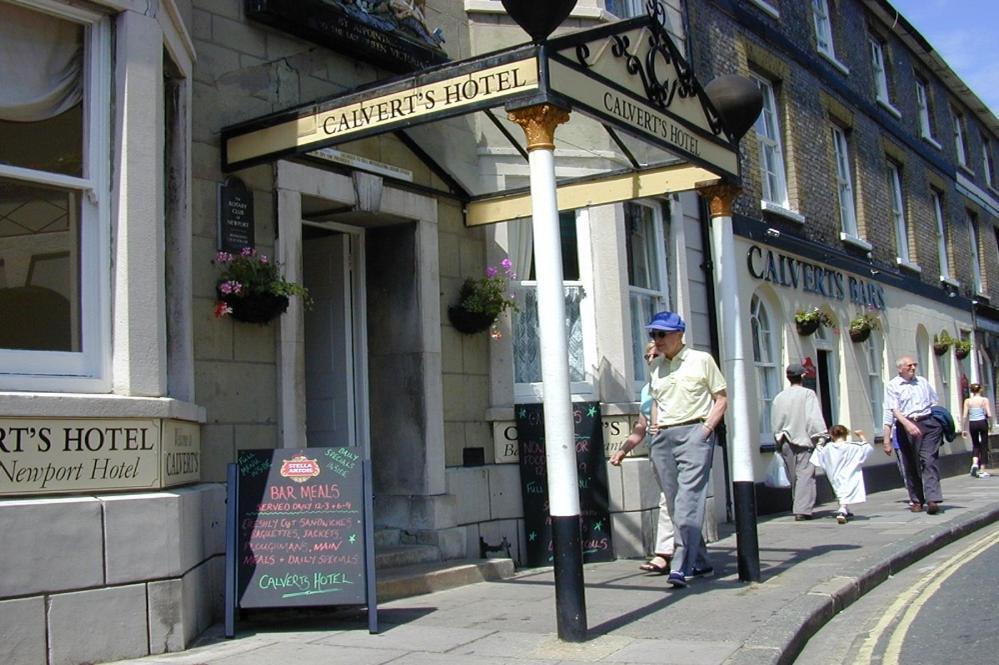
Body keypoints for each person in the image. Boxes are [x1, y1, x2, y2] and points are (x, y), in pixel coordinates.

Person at [645, 311, 727, 589]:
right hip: (664, 437)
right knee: (673, 501)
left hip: (694, 431)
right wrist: (655, 427)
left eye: (662, 334)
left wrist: (705, 431)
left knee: (688, 502)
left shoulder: (701, 360)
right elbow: (657, 399)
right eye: (653, 334)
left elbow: (721, 399)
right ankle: (701, 561)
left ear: (679, 334)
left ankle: (682, 565)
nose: (657, 339)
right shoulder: (655, 367)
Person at [610, 342, 675, 574]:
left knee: (669, 500)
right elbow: (642, 425)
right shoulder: (647, 389)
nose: (650, 359)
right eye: (647, 356)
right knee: (674, 500)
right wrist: (623, 449)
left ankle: (664, 554)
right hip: (656, 449)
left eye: (655, 354)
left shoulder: (675, 382)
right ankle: (694, 553)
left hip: (676, 446)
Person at [882, 356, 943, 514]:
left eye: (914, 365)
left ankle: (932, 499)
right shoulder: (893, 386)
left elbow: (934, 402)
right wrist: (887, 438)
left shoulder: (922, 382)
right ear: (900, 368)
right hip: (905, 425)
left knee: (929, 460)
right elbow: (892, 411)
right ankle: (916, 500)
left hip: (928, 423)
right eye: (909, 365)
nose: (913, 368)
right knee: (911, 464)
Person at [771, 363, 828, 521]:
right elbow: (813, 417)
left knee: (794, 475)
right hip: (803, 439)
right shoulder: (808, 394)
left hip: (785, 440)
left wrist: (777, 438)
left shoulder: (779, 397)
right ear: (802, 375)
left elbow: (775, 421)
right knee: (805, 475)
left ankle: (798, 505)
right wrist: (821, 436)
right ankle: (802, 510)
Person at [810, 425, 872, 524]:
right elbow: (867, 448)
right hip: (849, 473)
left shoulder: (828, 448)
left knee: (840, 491)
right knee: (845, 491)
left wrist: (820, 442)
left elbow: (819, 453)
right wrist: (861, 435)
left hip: (834, 474)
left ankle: (845, 510)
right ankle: (842, 510)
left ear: (831, 435)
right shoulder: (852, 446)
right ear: (846, 434)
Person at [961, 383, 993, 477]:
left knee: (975, 444)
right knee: (984, 445)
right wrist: (990, 425)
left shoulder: (967, 401)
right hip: (982, 422)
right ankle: (982, 469)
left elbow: (964, 415)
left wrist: (963, 429)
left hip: (973, 423)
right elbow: (989, 414)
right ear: (980, 390)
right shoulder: (984, 400)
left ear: (971, 391)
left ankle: (974, 463)